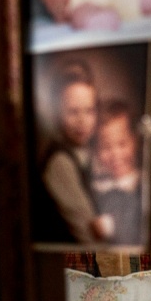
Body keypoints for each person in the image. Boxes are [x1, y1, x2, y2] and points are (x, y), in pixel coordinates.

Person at [39, 58, 107, 244]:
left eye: (89, 111)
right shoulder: (60, 162)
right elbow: (88, 236)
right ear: (57, 113)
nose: (82, 121)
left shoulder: (89, 152)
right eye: (73, 111)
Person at [89, 99, 145, 246]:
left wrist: (108, 226)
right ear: (96, 150)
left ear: (135, 142)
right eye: (106, 147)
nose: (115, 155)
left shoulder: (142, 185)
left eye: (122, 144)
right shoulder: (96, 185)